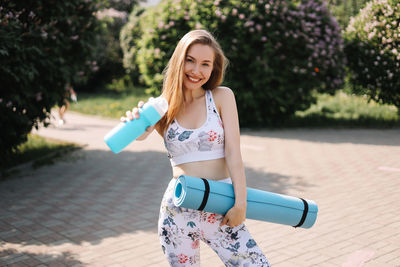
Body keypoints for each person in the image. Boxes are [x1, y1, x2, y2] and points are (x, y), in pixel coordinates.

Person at [122, 30, 270, 266]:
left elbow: (233, 153)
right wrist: (135, 121)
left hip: (221, 207)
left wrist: (240, 203)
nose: (196, 70)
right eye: (190, 60)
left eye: (205, 64)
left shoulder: (222, 97)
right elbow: (140, 135)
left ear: (213, 68)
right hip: (178, 210)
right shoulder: (163, 106)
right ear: (179, 60)